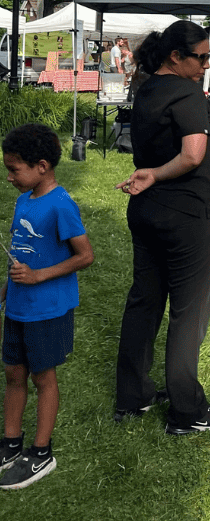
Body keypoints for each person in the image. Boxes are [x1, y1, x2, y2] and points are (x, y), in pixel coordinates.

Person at [114, 20, 210, 436]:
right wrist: (155, 173)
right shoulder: (186, 92)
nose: (205, 65)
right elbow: (190, 155)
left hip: (146, 213)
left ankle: (133, 396)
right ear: (176, 57)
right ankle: (186, 411)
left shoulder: (146, 86)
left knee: (144, 302)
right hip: (187, 215)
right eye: (200, 57)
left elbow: (180, 136)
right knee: (189, 312)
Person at [0, 124, 94, 489]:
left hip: (47, 309)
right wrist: (6, 290)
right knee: (13, 373)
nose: (9, 177)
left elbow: (85, 256)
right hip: (18, 308)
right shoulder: (25, 200)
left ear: (42, 166)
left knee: (43, 378)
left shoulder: (61, 205)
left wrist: (39, 277)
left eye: (14, 169)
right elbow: (21, 256)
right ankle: (10, 444)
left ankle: (41, 453)